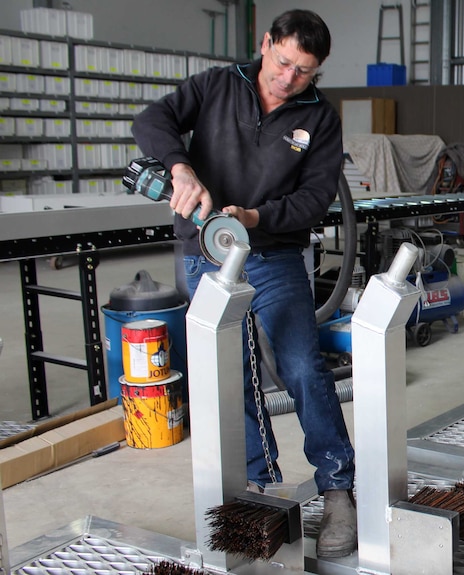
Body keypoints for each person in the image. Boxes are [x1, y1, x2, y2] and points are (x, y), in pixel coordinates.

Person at [131, 9, 357, 558]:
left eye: (304, 71)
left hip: (272, 252)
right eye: (283, 62)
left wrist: (254, 218)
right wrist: (180, 167)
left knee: (303, 367)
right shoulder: (216, 86)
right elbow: (151, 120)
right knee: (230, 377)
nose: (288, 79)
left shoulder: (319, 119)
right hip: (204, 252)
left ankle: (337, 491)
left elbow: (314, 198)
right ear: (266, 44)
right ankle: (257, 490)